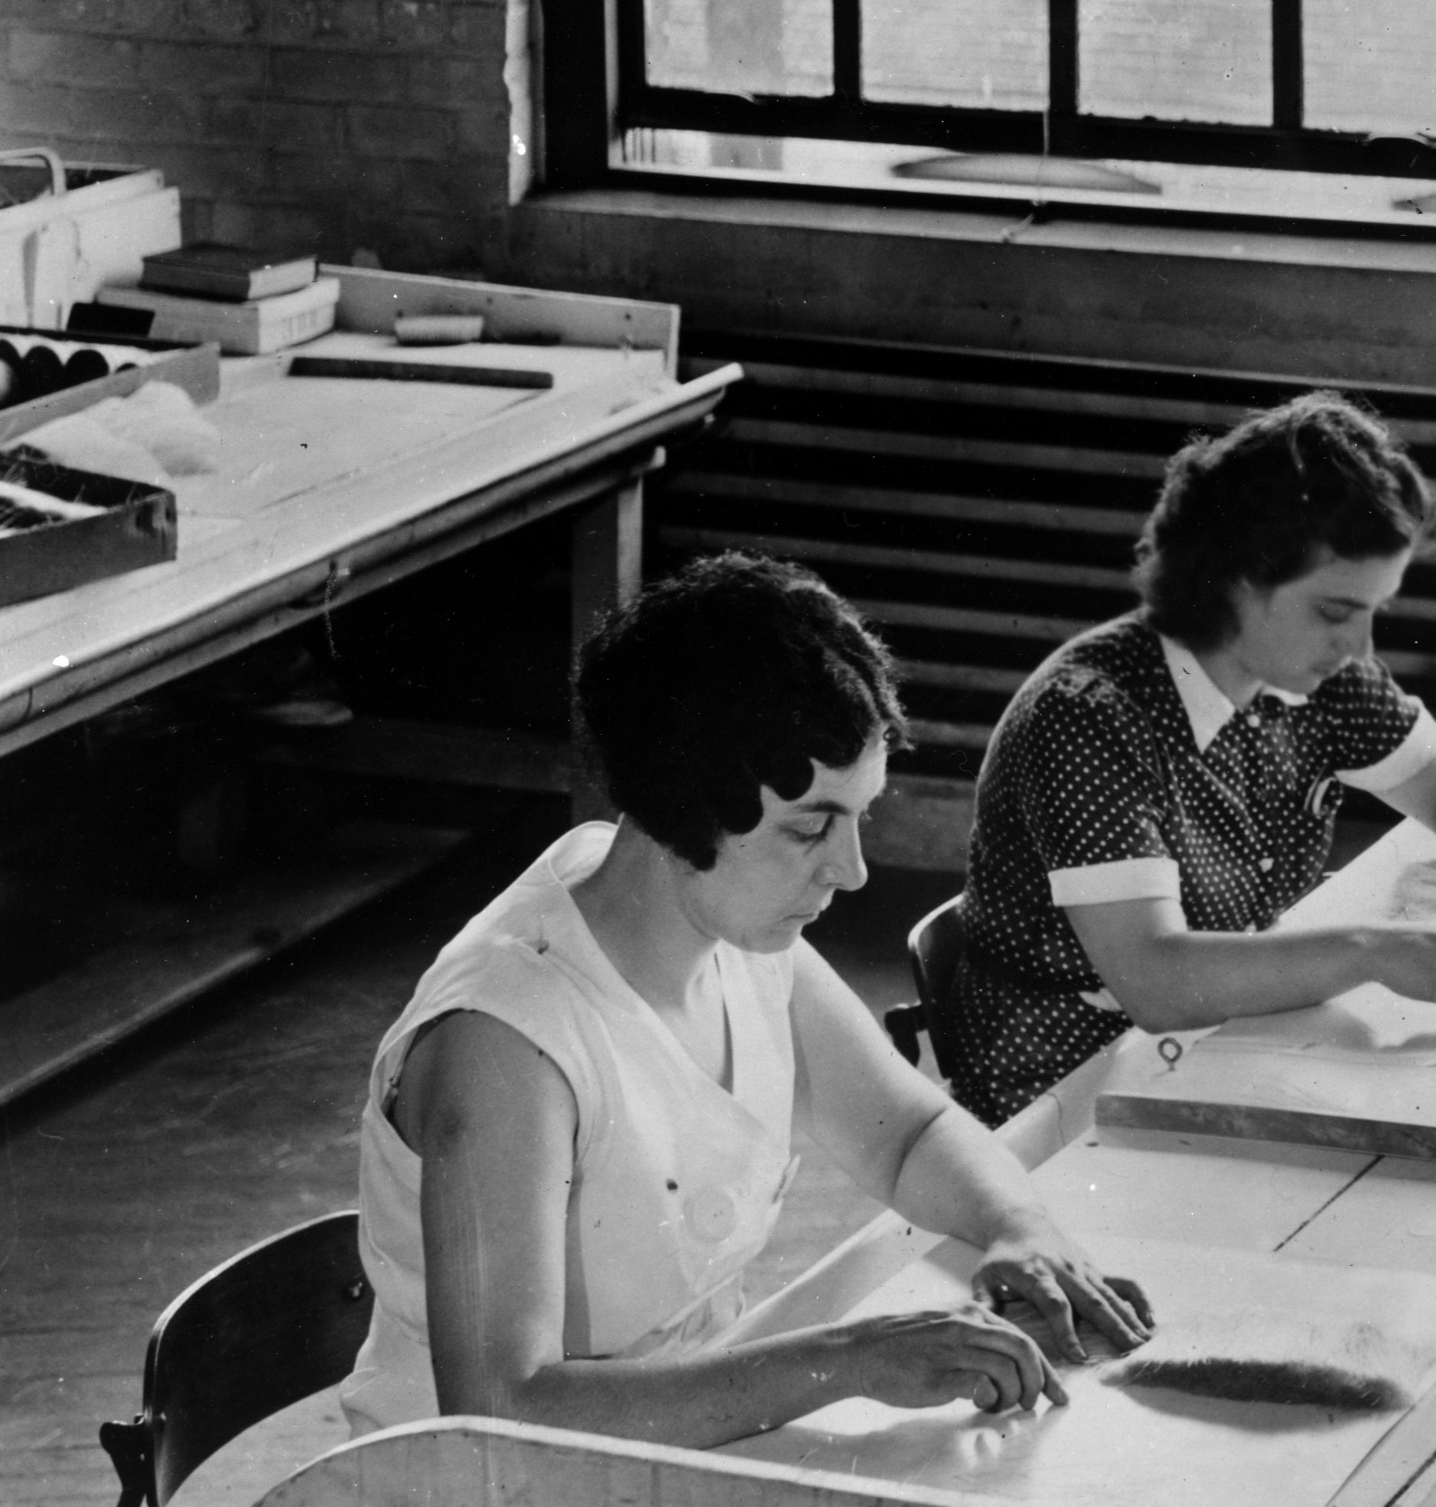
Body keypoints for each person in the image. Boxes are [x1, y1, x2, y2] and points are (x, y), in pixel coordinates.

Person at [338, 553, 1149, 1444]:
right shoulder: (504, 1043)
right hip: (470, 1505)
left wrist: (1017, 1225)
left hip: (664, 1445)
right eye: (810, 829)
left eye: (858, 817)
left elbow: (908, 1135)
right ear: (683, 807)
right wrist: (846, 1360)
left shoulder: (740, 939)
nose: (851, 871)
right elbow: (501, 1407)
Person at [956, 390, 1436, 1121]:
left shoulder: (1312, 673)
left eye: (1373, 611)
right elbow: (1155, 982)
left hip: (1221, 1041)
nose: (1360, 647)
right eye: (1335, 612)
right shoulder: (1087, 715)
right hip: (1064, 1091)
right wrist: (1374, 952)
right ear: (1234, 578)